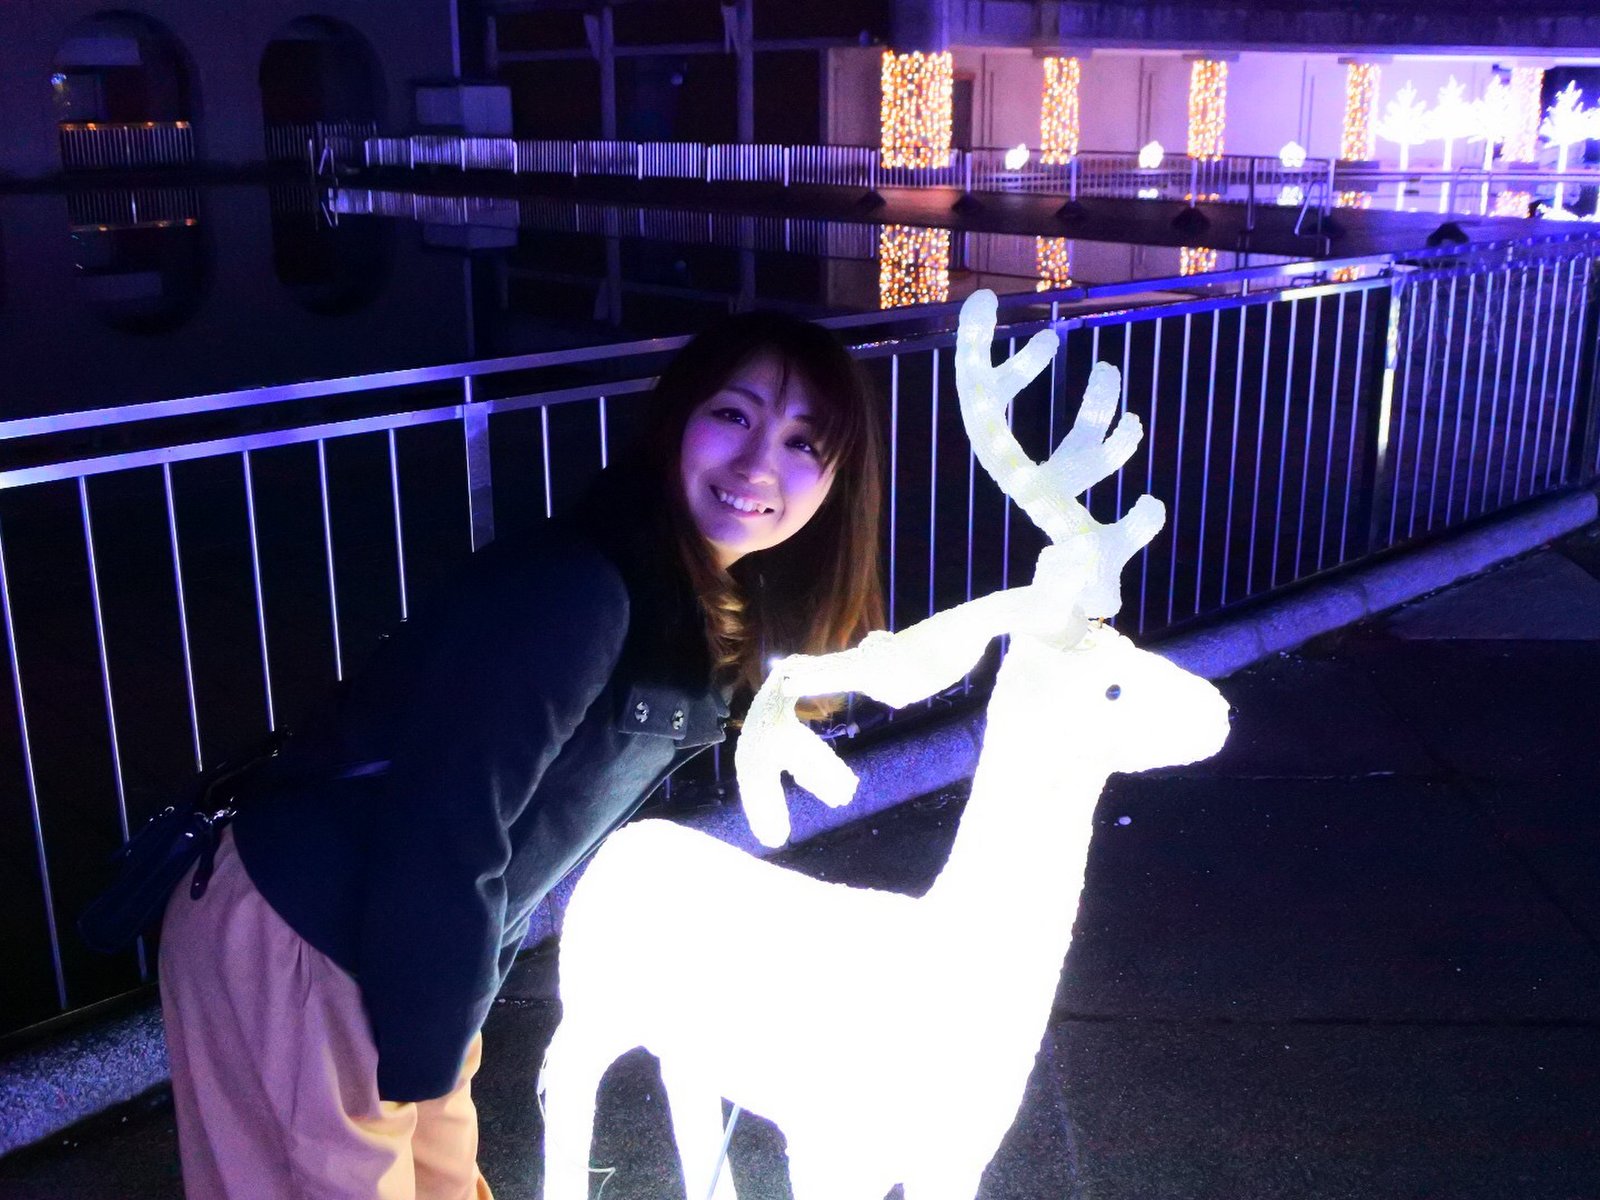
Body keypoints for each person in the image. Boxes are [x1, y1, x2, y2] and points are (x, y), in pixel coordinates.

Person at [156, 312, 885, 1199]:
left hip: (403, 950)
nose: (759, 465)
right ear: (676, 419)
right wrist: (417, 1065)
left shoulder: (686, 592)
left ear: (836, 483)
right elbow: (446, 832)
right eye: (733, 415)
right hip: (310, 935)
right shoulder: (582, 589)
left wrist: (435, 1046)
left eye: (804, 442)